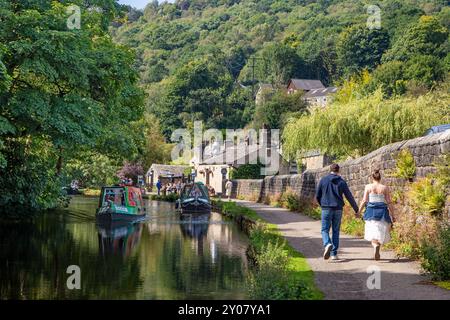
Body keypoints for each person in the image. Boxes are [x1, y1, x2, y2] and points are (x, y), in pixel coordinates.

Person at [316, 163, 359, 261]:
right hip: (338, 209)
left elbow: (317, 195)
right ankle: (334, 254)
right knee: (336, 231)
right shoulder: (342, 182)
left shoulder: (323, 180)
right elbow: (349, 197)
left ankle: (327, 244)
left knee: (324, 230)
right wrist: (356, 209)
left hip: (326, 208)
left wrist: (321, 204)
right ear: (338, 171)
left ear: (329, 170)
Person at [358, 169, 395, 261]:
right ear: (380, 177)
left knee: (372, 230)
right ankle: (377, 245)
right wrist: (393, 215)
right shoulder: (384, 188)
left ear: (372, 177)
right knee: (380, 230)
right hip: (382, 211)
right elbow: (389, 202)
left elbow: (364, 200)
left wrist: (359, 211)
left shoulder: (368, 187)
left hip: (371, 211)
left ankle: (375, 246)